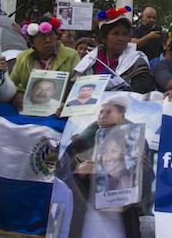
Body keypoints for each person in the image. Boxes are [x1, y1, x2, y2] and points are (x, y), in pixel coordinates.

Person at [58, 95, 149, 238]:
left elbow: (146, 193)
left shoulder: (136, 141)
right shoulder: (81, 143)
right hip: (86, 220)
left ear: (122, 114)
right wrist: (78, 174)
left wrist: (144, 171)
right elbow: (60, 176)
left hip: (123, 223)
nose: (102, 116)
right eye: (100, 112)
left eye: (108, 112)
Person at [73, 7, 154, 94]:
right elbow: (74, 87)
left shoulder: (136, 61)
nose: (121, 38)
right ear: (103, 38)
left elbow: (143, 87)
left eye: (125, 34)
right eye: (116, 34)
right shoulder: (89, 61)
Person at [10, 16, 80, 111]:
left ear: (57, 37)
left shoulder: (71, 56)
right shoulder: (23, 58)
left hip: (59, 111)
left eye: (51, 35)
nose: (48, 40)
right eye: (42, 37)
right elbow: (12, 84)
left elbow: (77, 86)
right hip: (30, 110)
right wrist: (18, 93)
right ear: (32, 43)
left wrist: (65, 106)